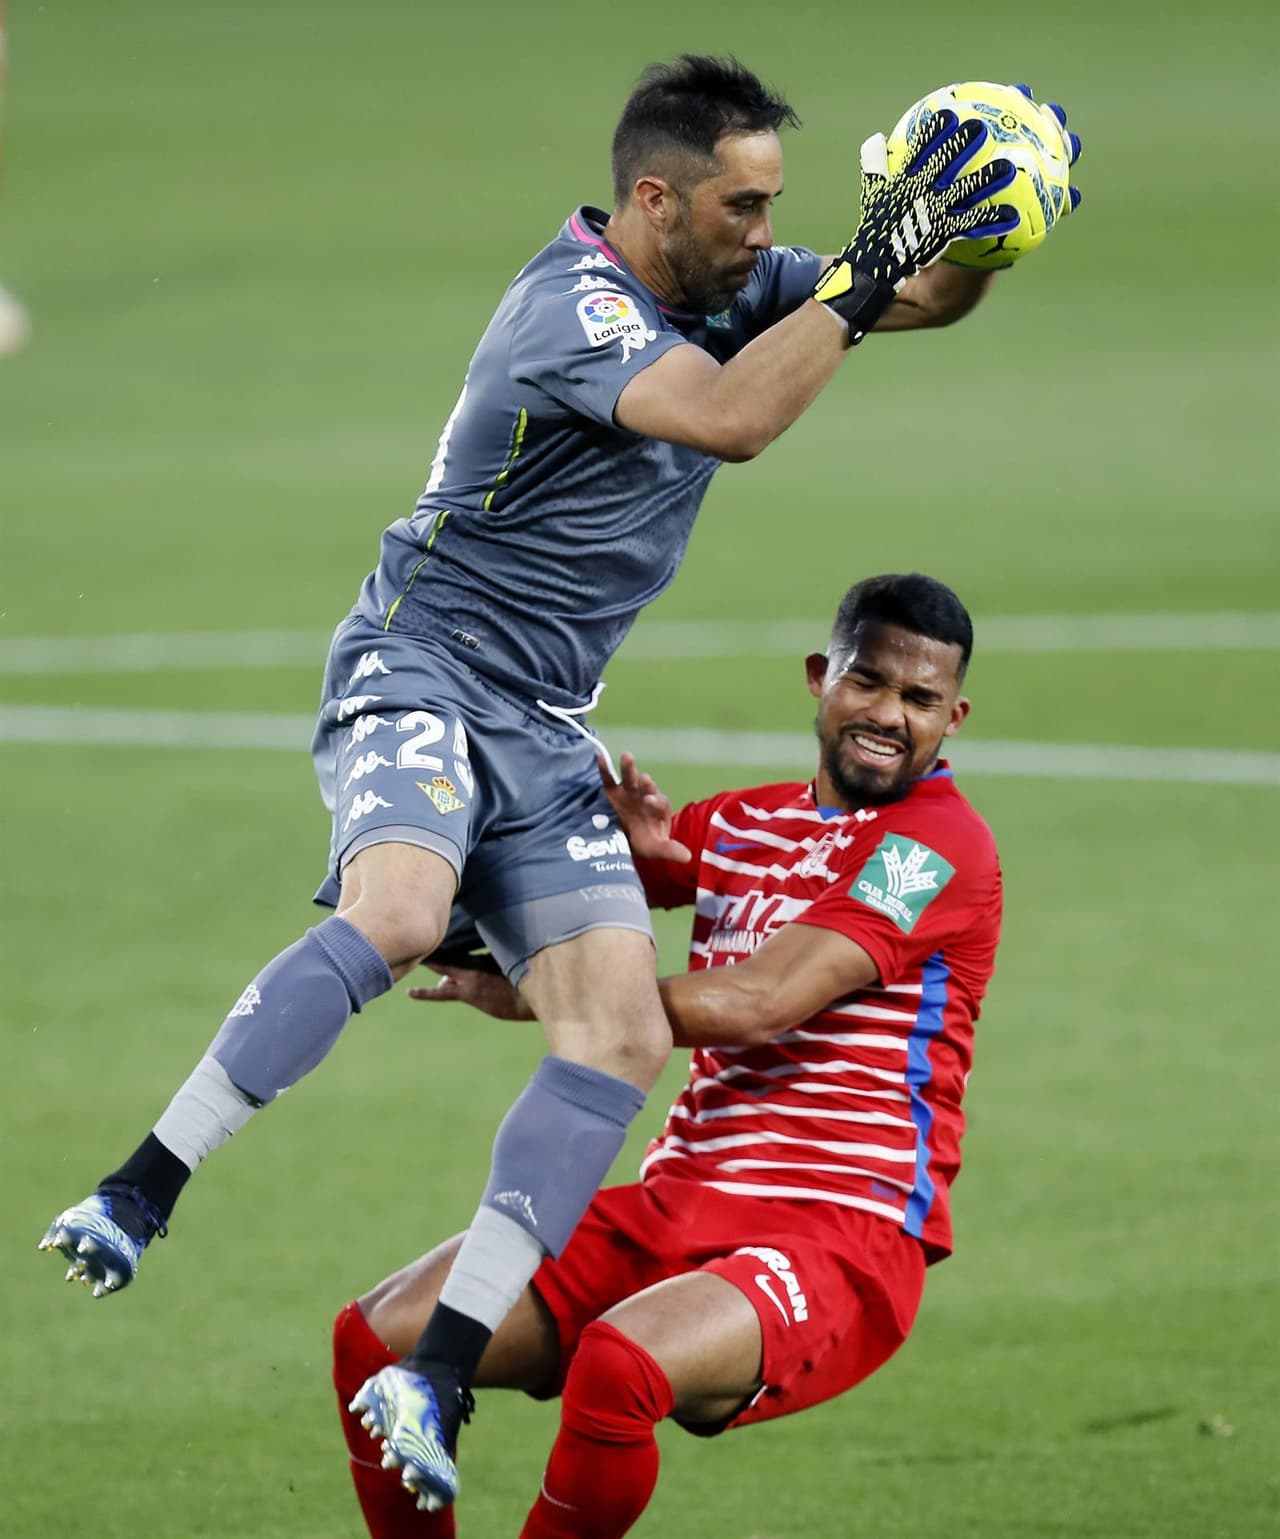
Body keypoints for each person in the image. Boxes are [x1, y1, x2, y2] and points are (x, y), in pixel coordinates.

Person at [40, 55, 1047, 1509]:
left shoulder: (732, 286)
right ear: (656, 199)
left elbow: (915, 298)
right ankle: (142, 1184)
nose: (772, 231)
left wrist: (977, 224)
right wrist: (872, 259)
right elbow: (733, 421)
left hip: (545, 723)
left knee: (614, 1038)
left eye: (779, 205)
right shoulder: (577, 309)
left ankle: (439, 1365)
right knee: (398, 912)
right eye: (746, 204)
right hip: (424, 664)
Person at [334, 572, 1003, 1537]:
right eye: (868, 682)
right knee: (377, 1340)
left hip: (837, 1230)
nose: (889, 715)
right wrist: (448, 870)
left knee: (620, 1364)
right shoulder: (738, 823)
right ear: (821, 677)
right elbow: (596, 885)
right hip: (677, 1201)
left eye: (920, 699)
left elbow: (761, 1001)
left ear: (955, 716)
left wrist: (540, 998)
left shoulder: (937, 849)